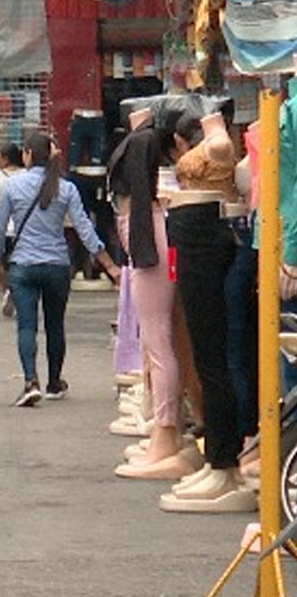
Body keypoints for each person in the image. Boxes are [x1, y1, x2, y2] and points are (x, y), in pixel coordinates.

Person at [157, 111, 255, 513]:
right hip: (195, 232)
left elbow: (220, 152)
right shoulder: (216, 138)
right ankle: (218, 456)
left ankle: (224, 460)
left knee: (212, 355)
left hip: (205, 237)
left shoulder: (220, 142)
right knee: (204, 352)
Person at [0, 131, 119, 407]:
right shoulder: (67, 188)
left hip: (24, 265)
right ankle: (53, 382)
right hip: (57, 265)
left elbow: (0, 229)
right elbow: (85, 228)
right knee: (54, 325)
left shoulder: (11, 187)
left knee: (26, 325)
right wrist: (108, 264)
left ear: (26, 154)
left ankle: (30, 381)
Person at [107, 106, 187, 480]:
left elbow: (140, 197)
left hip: (146, 234)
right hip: (143, 233)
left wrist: (142, 248)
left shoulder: (141, 143)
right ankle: (164, 427)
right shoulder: (142, 142)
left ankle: (167, 429)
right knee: (155, 339)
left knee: (158, 340)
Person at [0, 143, 26, 318]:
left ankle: (8, 291)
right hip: (23, 229)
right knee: (20, 265)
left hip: (2, 229)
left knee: (1, 265)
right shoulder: (27, 175)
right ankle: (16, 293)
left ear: (6, 159)